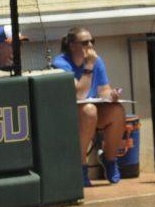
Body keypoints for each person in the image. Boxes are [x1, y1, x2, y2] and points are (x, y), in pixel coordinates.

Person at [51, 27, 125, 184]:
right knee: (89, 110)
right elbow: (79, 95)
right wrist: (89, 66)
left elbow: (103, 90)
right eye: (85, 42)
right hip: (68, 116)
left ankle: (110, 160)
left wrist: (111, 95)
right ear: (72, 45)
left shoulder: (97, 61)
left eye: (92, 41)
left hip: (90, 112)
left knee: (117, 110)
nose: (90, 45)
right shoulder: (60, 63)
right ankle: (80, 165)